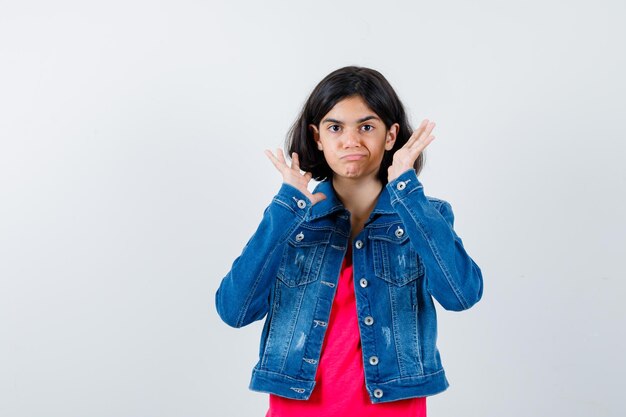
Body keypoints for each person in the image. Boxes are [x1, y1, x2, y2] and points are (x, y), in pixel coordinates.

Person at [215, 65, 484, 417]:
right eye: (335, 127)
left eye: (367, 127)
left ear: (390, 136)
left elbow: (461, 294)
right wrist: (284, 211)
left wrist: (409, 193)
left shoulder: (422, 215)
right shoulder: (293, 220)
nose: (351, 141)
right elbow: (234, 311)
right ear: (317, 137)